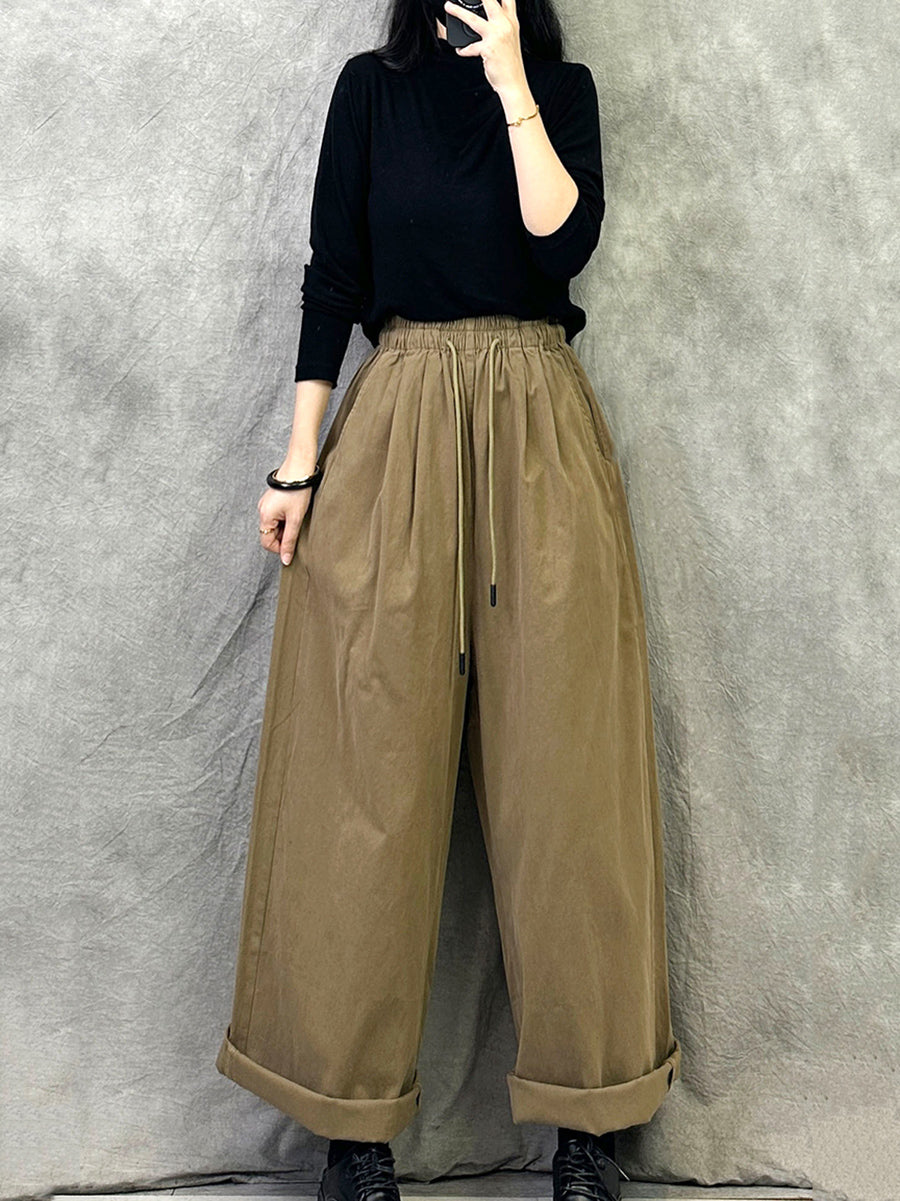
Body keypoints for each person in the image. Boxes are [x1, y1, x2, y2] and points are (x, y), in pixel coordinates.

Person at [215, 2, 682, 1200]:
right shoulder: (370, 92)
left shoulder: (562, 93)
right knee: (364, 774)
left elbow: (561, 245)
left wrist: (516, 86)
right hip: (401, 418)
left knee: (567, 783)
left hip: (539, 424)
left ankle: (589, 1127)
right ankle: (352, 1130)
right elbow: (335, 277)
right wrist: (298, 464)